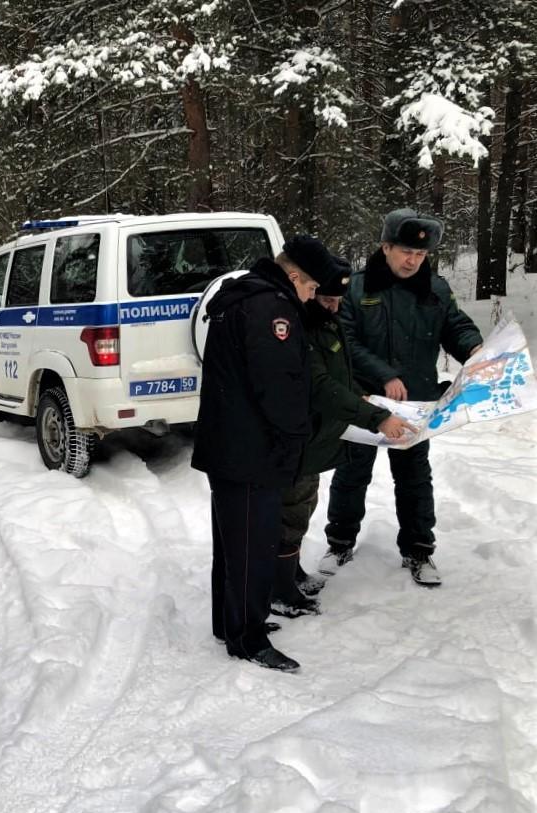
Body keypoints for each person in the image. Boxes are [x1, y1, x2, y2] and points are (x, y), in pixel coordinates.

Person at [192, 234, 346, 672]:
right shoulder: (271, 309)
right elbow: (278, 386)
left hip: (231, 443)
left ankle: (230, 623)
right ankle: (248, 639)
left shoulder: (246, 296)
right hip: (250, 449)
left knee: (233, 545)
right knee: (252, 548)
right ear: (295, 275)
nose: (313, 296)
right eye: (313, 288)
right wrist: (298, 434)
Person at [322, 209, 482, 586]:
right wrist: (384, 374)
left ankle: (419, 550)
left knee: (413, 477)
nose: (413, 260)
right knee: (351, 473)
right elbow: (344, 340)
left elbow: (455, 326)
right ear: (386, 247)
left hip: (416, 402)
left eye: (421, 254)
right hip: (365, 400)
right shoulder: (356, 288)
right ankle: (339, 542)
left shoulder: (435, 289)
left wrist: (474, 349)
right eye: (406, 251)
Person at [271, 258, 416, 618]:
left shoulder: (324, 319)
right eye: (327, 299)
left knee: (303, 504)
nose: (335, 306)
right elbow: (318, 385)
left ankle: (289, 573)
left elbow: (338, 374)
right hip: (298, 433)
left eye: (339, 300)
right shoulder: (297, 325)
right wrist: (376, 417)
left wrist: (359, 395)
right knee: (289, 511)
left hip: (317, 435)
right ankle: (278, 587)